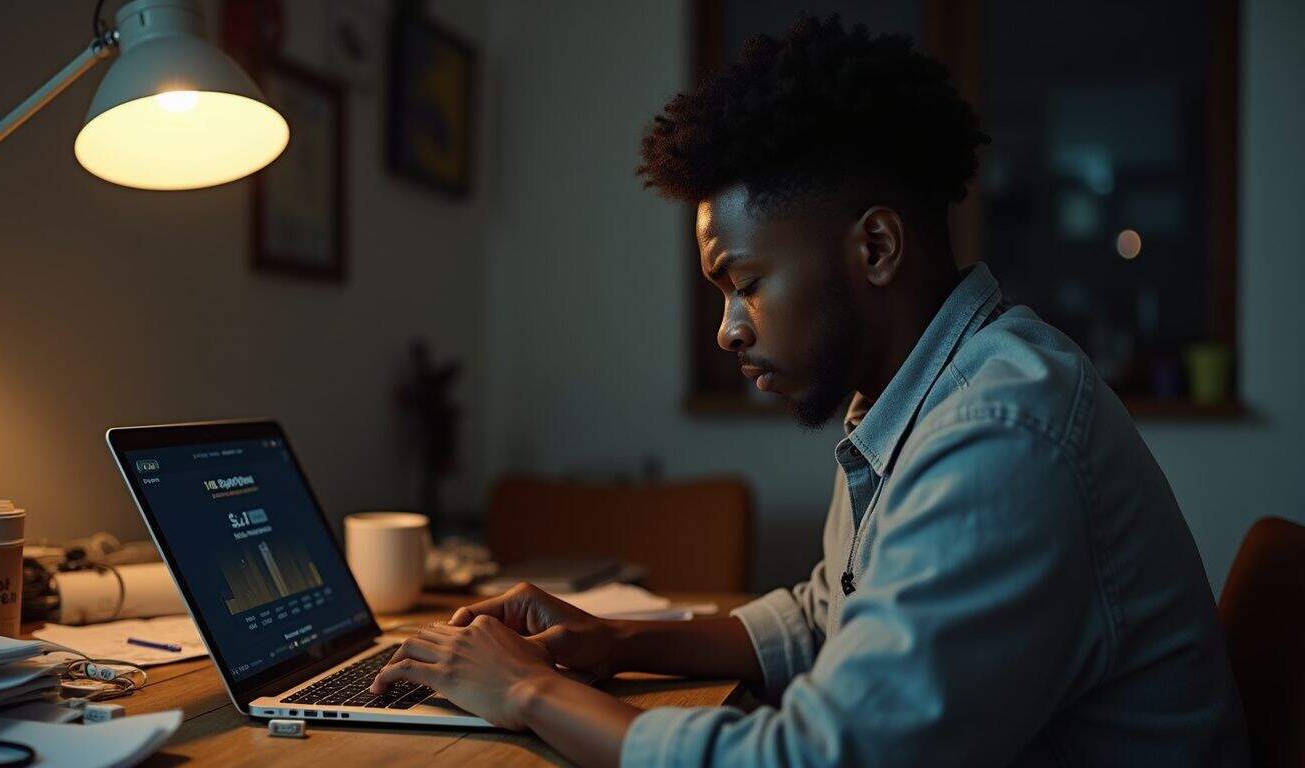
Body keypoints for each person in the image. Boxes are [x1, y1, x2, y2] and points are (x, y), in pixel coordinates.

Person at [371, 16, 1249, 767]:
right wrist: (617, 640)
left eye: (743, 282)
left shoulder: (999, 435)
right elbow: (829, 608)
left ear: (874, 249)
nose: (728, 331)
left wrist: (524, 689)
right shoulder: (913, 394)